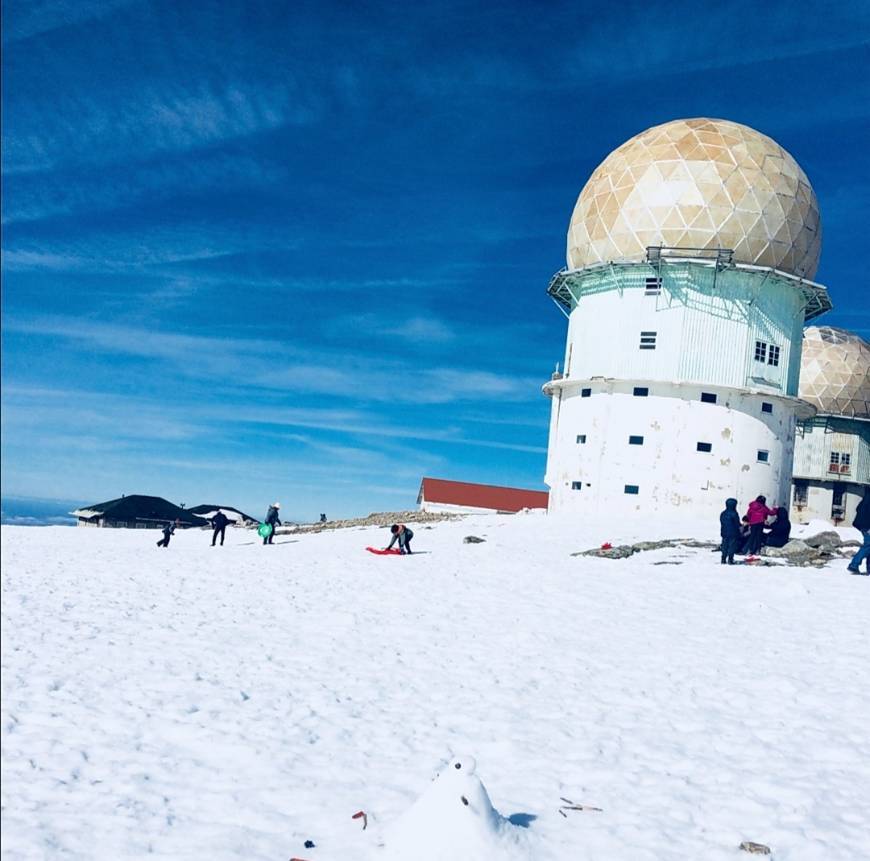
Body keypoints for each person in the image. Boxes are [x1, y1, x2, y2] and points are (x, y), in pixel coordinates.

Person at [847, 492, 870, 575]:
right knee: (868, 545)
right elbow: (865, 512)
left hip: (863, 525)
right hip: (867, 525)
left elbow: (858, 508)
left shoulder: (867, 496)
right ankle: (854, 565)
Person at [719, 498, 741, 564]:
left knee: (724, 546)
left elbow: (721, 521)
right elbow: (737, 523)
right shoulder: (734, 514)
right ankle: (730, 559)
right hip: (733, 533)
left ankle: (723, 559)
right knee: (732, 546)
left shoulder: (723, 513)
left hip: (724, 532)